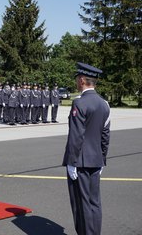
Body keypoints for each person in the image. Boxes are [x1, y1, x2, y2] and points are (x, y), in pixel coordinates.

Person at [62, 62, 110, 235]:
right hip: (96, 160)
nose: (76, 81)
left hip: (80, 161)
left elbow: (76, 136)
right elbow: (105, 135)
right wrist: (102, 159)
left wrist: (71, 162)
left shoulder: (79, 103)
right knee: (94, 203)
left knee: (81, 204)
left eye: (77, 79)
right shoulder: (104, 104)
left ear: (82, 80)